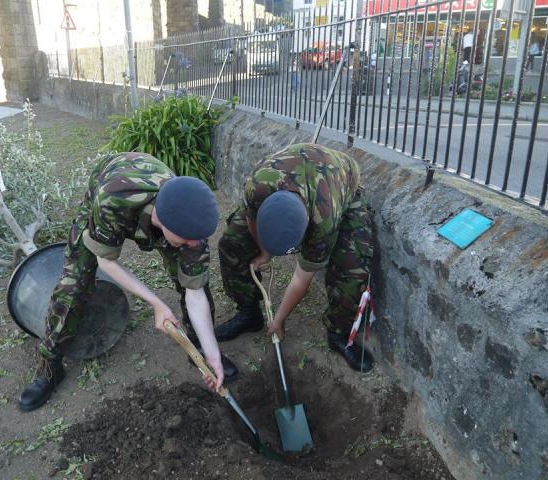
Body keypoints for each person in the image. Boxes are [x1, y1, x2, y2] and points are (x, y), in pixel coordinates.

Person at [19, 152, 237, 412]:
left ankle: (197, 348)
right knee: (74, 284)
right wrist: (156, 303)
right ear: (163, 221)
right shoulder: (112, 201)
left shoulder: (191, 228)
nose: (194, 245)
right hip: (107, 188)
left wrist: (212, 354)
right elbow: (106, 261)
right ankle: (50, 364)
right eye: (187, 240)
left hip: (151, 198)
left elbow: (195, 292)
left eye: (196, 240)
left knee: (193, 278)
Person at [214, 143, 375, 372]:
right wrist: (264, 252)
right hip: (295, 173)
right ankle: (249, 313)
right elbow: (251, 219)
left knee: (353, 270)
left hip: (341, 185)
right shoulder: (257, 187)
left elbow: (302, 278)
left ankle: (338, 333)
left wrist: (279, 320)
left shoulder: (324, 220)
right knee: (231, 243)